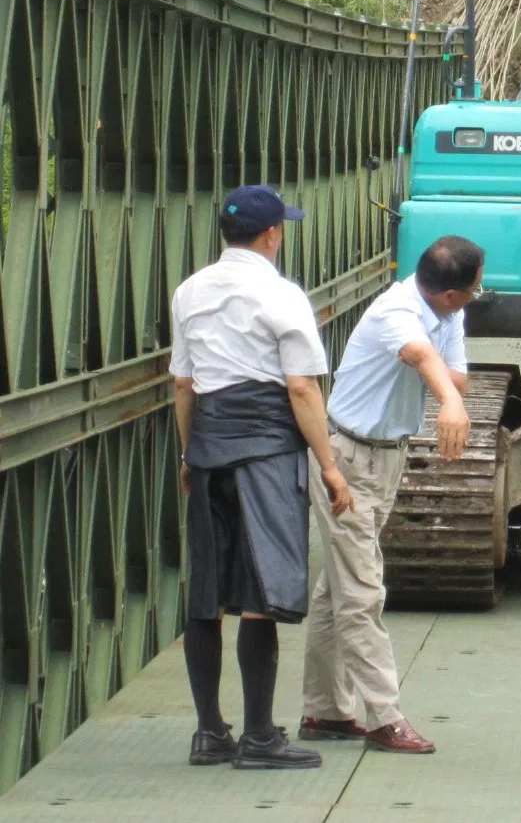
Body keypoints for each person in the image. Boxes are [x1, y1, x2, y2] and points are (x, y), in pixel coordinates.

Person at [172, 184, 355, 770]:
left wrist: (188, 455)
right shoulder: (281, 294)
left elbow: (182, 384)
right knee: (261, 592)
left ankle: (209, 733)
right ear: (272, 233)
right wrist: (328, 466)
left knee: (207, 592)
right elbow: (301, 386)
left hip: (209, 444)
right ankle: (258, 738)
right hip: (267, 448)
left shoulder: (189, 291)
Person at [299, 236, 481, 755]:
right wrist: (445, 400)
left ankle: (325, 711)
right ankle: (384, 716)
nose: (478, 291)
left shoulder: (448, 314)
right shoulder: (396, 310)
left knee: (336, 591)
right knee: (362, 590)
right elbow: (421, 356)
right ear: (451, 292)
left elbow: (460, 379)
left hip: (386, 456)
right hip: (347, 459)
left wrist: (449, 393)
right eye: (475, 285)